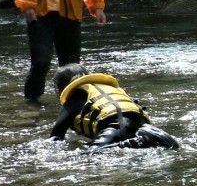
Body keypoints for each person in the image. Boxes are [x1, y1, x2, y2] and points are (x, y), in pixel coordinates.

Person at [50, 63, 179, 150]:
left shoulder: (73, 97)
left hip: (113, 125)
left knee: (91, 155)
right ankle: (144, 138)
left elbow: (56, 136)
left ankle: (136, 142)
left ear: (62, 88)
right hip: (140, 121)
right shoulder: (107, 88)